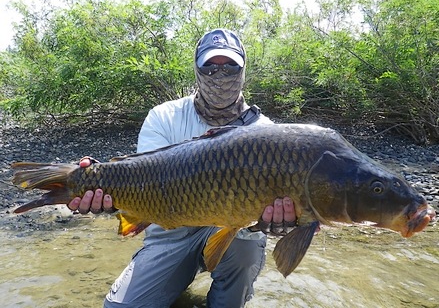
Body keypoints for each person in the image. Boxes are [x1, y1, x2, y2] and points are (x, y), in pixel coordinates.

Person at [68, 28, 298, 308]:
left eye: (230, 67)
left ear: (243, 70)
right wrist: (99, 186)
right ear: (197, 70)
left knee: (246, 248)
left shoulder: (268, 134)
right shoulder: (164, 117)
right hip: (169, 237)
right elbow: (139, 182)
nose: (220, 75)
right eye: (210, 68)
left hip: (234, 237)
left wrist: (277, 225)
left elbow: (279, 213)